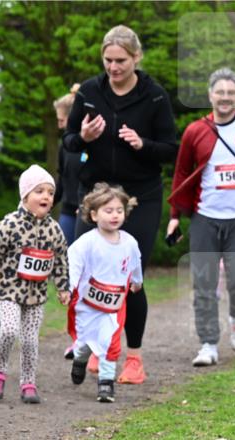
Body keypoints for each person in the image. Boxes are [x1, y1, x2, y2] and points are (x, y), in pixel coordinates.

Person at [63, 25, 178, 384]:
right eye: (108, 60)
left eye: (121, 61)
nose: (113, 67)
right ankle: (97, 348)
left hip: (139, 196)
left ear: (136, 58)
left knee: (130, 278)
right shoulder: (90, 91)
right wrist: (82, 137)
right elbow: (67, 141)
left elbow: (172, 149)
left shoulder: (154, 97)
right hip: (96, 194)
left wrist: (143, 144)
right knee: (89, 275)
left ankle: (134, 357)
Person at [166, 67, 235, 367]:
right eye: (220, 92)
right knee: (204, 283)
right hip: (205, 217)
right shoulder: (195, 131)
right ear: (210, 94)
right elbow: (182, 173)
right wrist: (175, 215)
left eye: (231, 93)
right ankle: (209, 343)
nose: (225, 98)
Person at [0, 166, 70, 404]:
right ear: (25, 196)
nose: (46, 197)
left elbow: (61, 259)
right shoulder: (10, 225)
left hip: (37, 295)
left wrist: (63, 287)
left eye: (50, 192)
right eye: (39, 191)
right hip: (9, 291)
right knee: (10, 330)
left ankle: (28, 382)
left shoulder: (54, 229)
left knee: (31, 340)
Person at [68, 183, 143, 402]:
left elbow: (135, 264)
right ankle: (80, 359)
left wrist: (137, 281)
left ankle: (106, 383)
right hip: (88, 305)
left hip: (114, 305)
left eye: (119, 211)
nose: (114, 216)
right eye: (108, 211)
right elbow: (73, 264)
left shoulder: (129, 243)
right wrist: (69, 286)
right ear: (93, 214)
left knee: (112, 343)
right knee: (85, 344)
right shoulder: (86, 242)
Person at [53, 84, 83, 246]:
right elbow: (62, 180)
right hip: (68, 212)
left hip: (88, 212)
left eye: (61, 120)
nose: (59, 125)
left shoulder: (92, 144)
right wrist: (46, 203)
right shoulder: (63, 146)